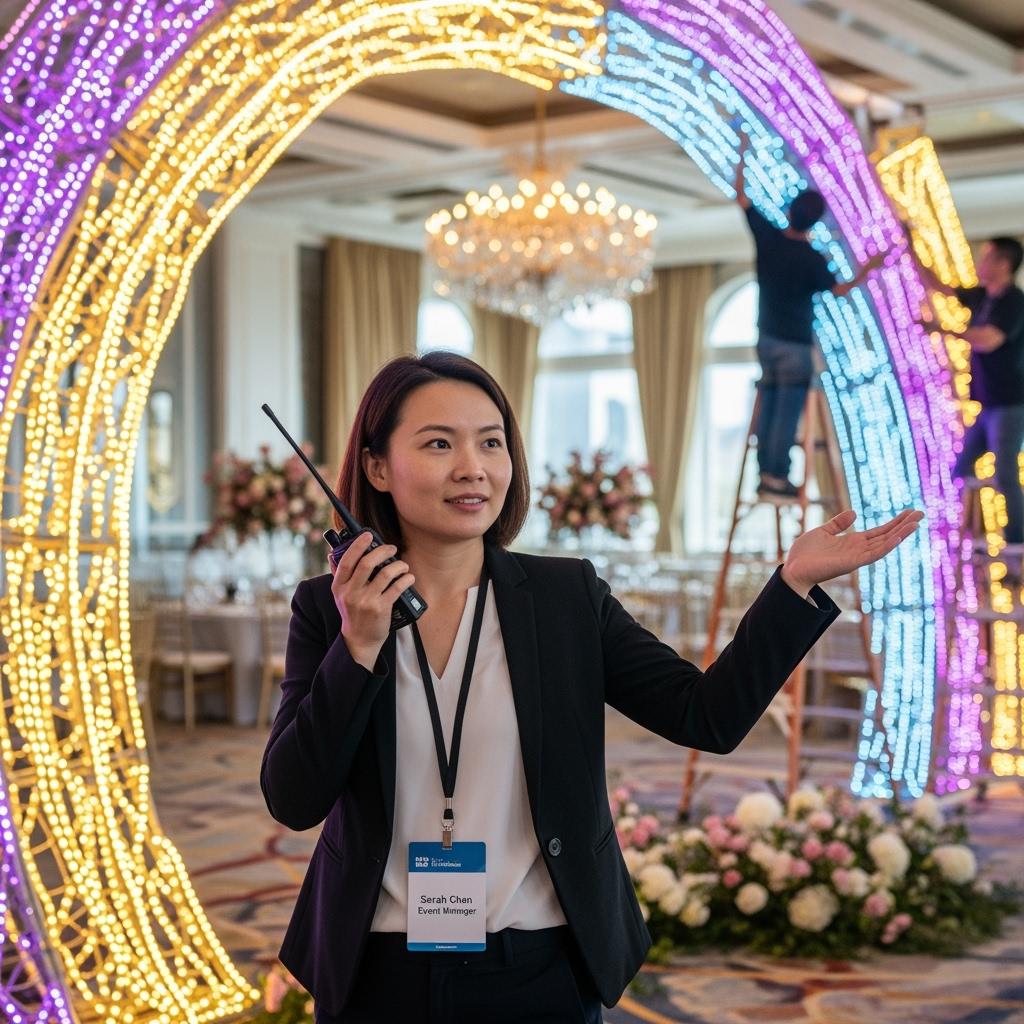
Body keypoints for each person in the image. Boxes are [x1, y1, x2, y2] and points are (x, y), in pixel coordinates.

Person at [260, 351, 922, 1023]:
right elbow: (294, 798)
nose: (473, 468)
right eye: (439, 443)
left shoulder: (563, 597)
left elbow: (707, 717)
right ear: (376, 466)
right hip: (379, 973)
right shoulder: (329, 608)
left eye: (492, 442)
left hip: (541, 967)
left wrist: (793, 585)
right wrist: (359, 645)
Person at [734, 137, 885, 499]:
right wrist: (871, 268)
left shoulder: (769, 238)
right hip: (795, 342)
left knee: (771, 404)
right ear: (816, 222)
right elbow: (840, 290)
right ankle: (775, 477)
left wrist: (743, 153)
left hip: (766, 338)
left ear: (789, 210)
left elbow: (741, 197)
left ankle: (765, 474)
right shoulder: (812, 258)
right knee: (786, 411)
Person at [917, 237, 1024, 574]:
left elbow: (990, 339)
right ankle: (974, 536)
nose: (980, 262)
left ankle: (1017, 543)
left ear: (1003, 264)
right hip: (989, 404)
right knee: (962, 468)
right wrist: (909, 243)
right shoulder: (982, 297)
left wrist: (944, 330)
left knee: (1005, 472)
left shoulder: (1013, 303)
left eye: (987, 256)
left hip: (1010, 403)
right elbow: (942, 287)